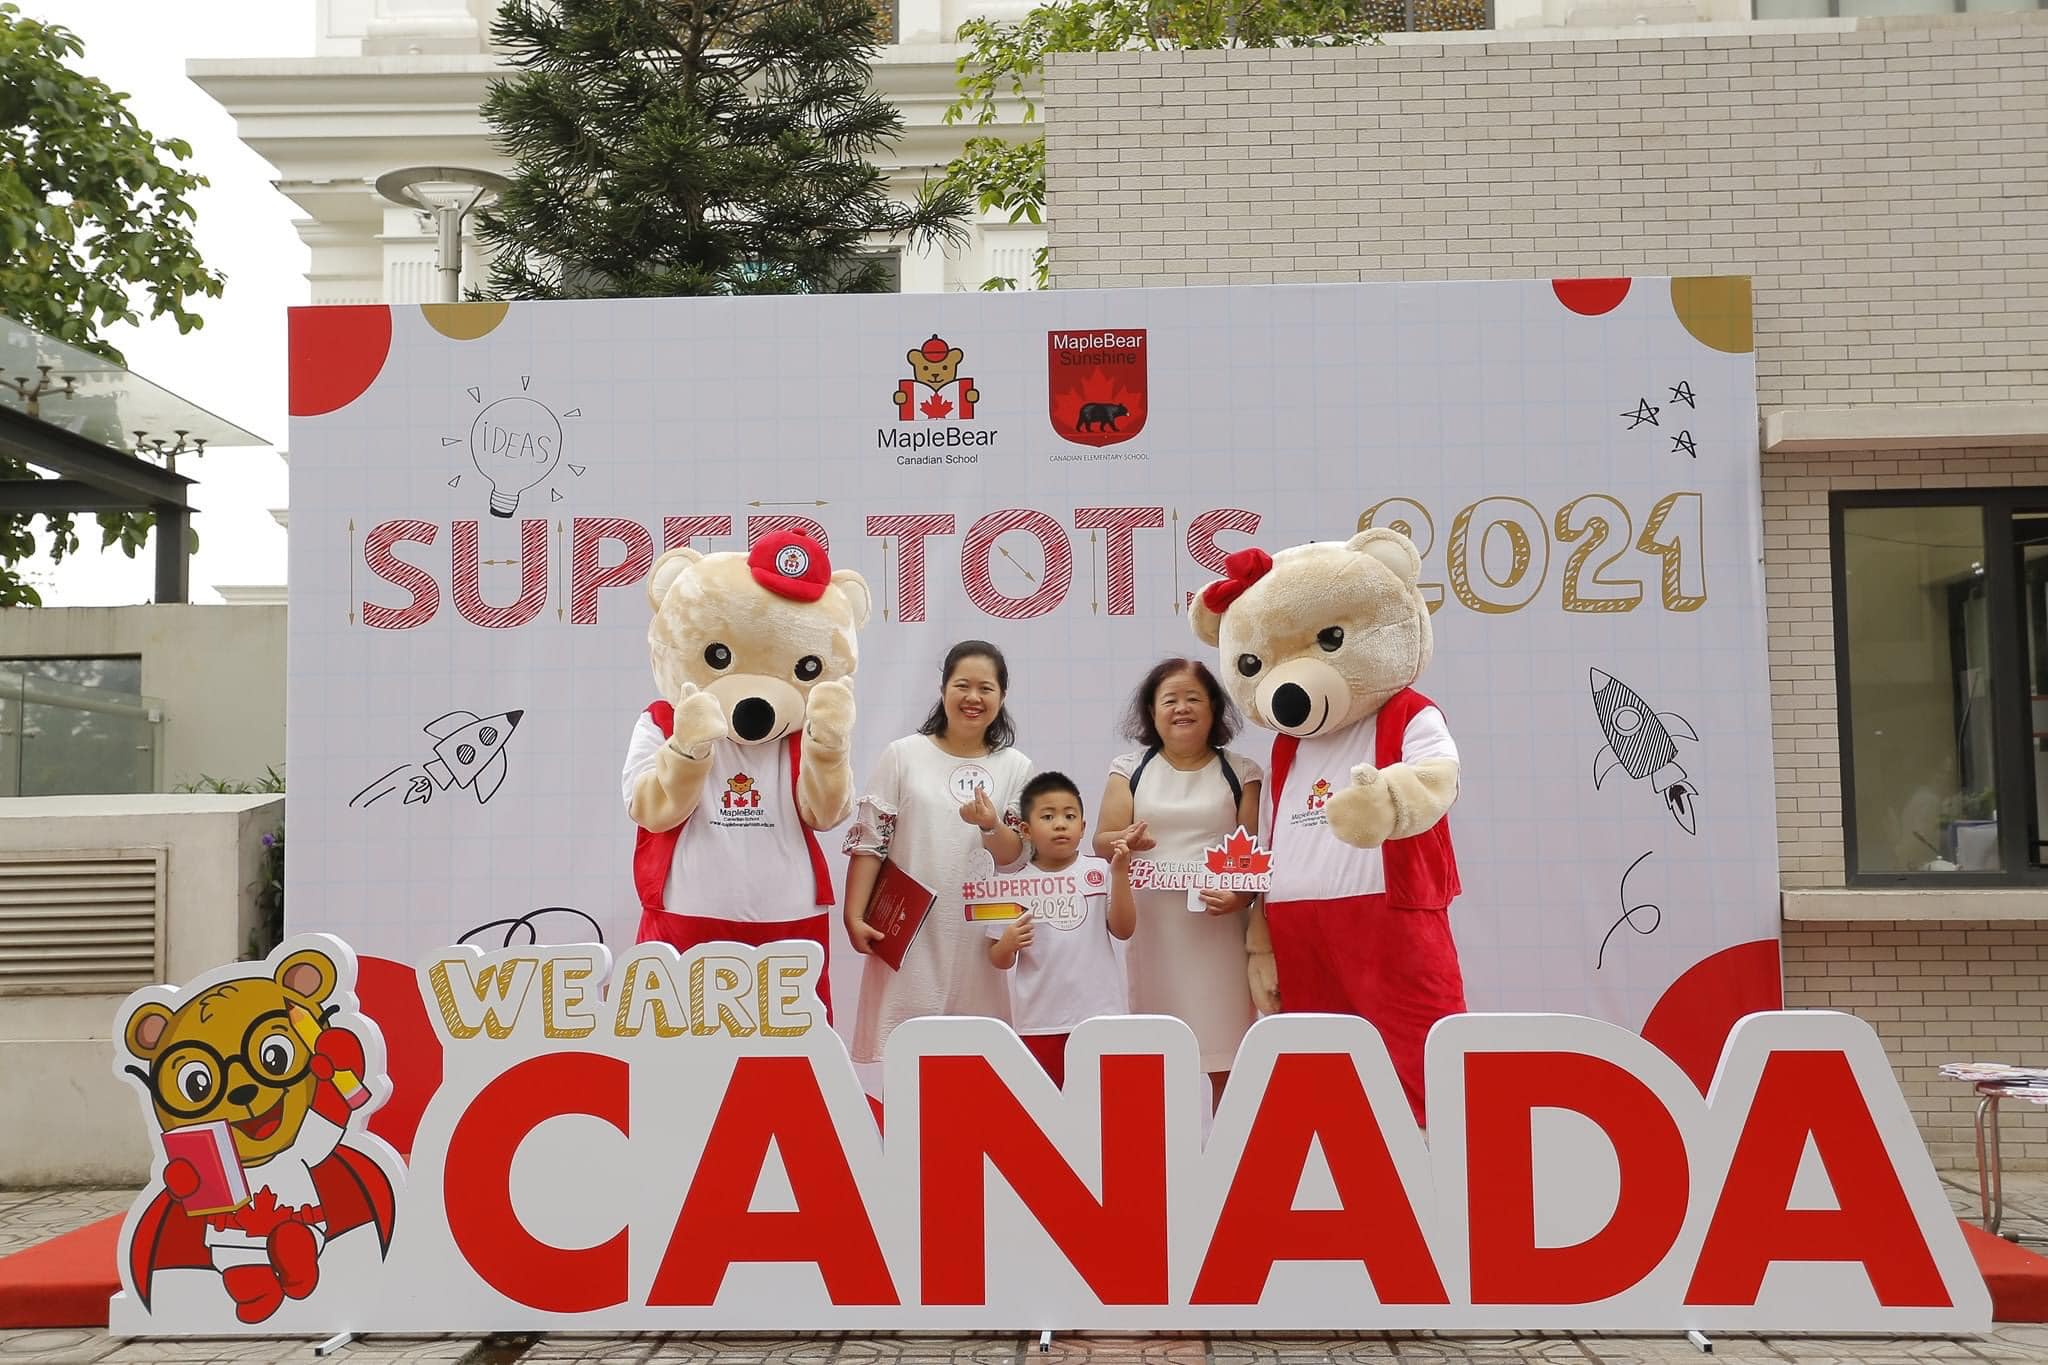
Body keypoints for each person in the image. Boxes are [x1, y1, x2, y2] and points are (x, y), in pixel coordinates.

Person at [842, 640, 1033, 1065]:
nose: (972, 697)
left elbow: (1016, 856)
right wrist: (854, 915)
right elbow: (872, 842)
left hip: (978, 933)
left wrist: (990, 824)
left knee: (973, 1059)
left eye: (985, 688)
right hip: (909, 930)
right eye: (962, 685)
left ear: (1002, 696)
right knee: (907, 1054)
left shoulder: (1016, 766)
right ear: (943, 688)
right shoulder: (903, 755)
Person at [1094, 658, 1264, 1103]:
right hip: (1153, 930)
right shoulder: (1128, 768)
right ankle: (1161, 1144)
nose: (1181, 708)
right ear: (1152, 711)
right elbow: (1101, 840)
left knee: (1226, 1053)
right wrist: (1127, 840)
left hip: (1219, 931)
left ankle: (1230, 1139)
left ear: (1214, 709)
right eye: (1170, 700)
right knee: (1157, 1053)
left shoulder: (1242, 772)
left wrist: (1240, 895)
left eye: (1193, 698)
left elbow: (1252, 855)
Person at [985, 772, 1141, 1087]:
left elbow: (1124, 930)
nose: (1060, 824)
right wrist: (1008, 944)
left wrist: (1120, 874)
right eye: (1048, 817)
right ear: (1026, 830)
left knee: (1103, 1102)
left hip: (1100, 1016)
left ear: (1083, 827)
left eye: (1069, 816)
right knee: (1045, 1104)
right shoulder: (1013, 884)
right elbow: (998, 958)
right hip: (1039, 1021)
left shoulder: (1100, 870)